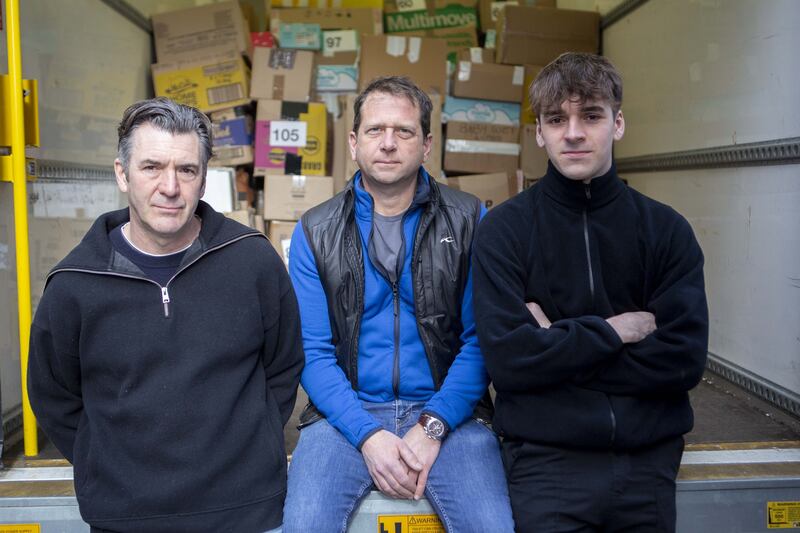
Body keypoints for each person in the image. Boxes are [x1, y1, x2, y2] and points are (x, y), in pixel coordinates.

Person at [28, 97, 304, 533]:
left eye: (186, 170)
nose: (170, 187)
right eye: (151, 167)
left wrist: (256, 437)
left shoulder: (251, 260)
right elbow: (53, 395)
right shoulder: (74, 284)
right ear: (122, 174)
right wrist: (104, 460)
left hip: (245, 508)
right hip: (125, 514)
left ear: (203, 179)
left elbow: (285, 364)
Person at [472, 52, 709, 533]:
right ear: (539, 132)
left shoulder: (666, 230)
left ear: (618, 123)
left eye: (592, 116)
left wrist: (557, 341)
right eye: (557, 119)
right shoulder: (504, 232)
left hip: (648, 467)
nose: (574, 133)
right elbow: (511, 363)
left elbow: (682, 360)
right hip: (546, 468)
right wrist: (615, 331)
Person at [282, 76, 514, 532]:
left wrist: (433, 426)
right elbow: (312, 351)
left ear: (427, 144)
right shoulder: (315, 231)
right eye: (375, 130)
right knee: (305, 525)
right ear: (353, 142)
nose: (388, 144)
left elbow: (481, 340)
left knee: (492, 527)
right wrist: (367, 435)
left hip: (452, 414)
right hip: (344, 416)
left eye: (404, 132)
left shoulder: (470, 219)